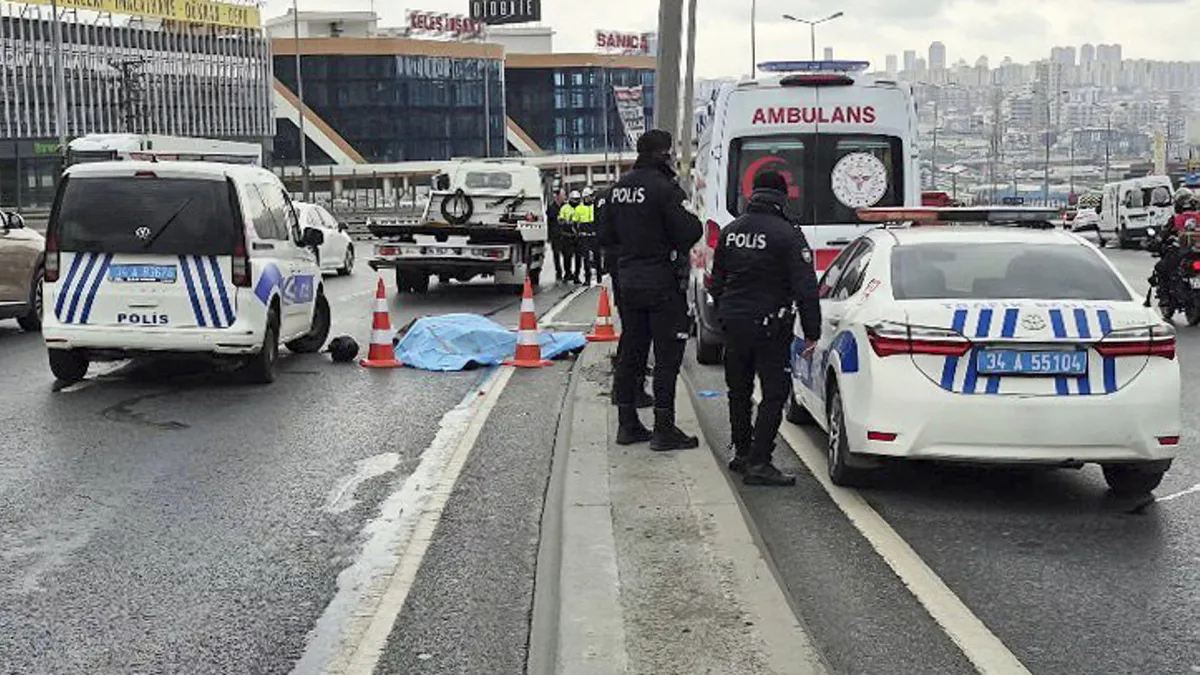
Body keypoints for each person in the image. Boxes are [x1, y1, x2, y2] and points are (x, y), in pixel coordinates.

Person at [710, 171, 821, 487]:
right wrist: (812, 331)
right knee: (774, 393)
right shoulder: (787, 234)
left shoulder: (731, 231)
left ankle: (742, 453)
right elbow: (805, 287)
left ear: (753, 194)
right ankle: (760, 461)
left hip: (734, 323)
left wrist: (725, 314)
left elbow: (716, 281)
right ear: (782, 197)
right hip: (770, 325)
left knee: (738, 390)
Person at [599, 129, 703, 450]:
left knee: (632, 351)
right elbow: (688, 230)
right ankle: (663, 427)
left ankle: (627, 423)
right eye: (669, 152)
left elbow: (604, 235)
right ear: (662, 154)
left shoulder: (617, 190)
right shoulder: (664, 189)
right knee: (667, 356)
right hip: (660, 281)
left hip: (628, 280)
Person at [596, 184, 654, 409]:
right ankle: (629, 392)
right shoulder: (657, 190)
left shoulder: (613, 195)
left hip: (621, 267)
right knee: (637, 334)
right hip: (639, 272)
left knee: (632, 331)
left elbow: (603, 234)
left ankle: (625, 394)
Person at [576, 187, 600, 285]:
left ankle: (599, 276)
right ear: (584, 197)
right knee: (585, 258)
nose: (591, 198)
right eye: (589, 197)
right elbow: (576, 222)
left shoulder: (596, 207)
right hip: (584, 236)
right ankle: (587, 278)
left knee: (597, 256)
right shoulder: (579, 208)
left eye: (591, 196)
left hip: (595, 235)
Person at [558, 190, 582, 283]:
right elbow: (560, 220)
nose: (576, 201)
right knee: (567, 256)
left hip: (578, 236)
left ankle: (577, 275)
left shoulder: (581, 207)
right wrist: (566, 223)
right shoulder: (565, 208)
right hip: (567, 235)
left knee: (578, 258)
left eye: (577, 199)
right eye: (574, 199)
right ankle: (568, 273)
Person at [547, 189, 568, 282]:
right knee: (556, 254)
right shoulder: (552, 208)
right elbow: (549, 222)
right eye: (563, 195)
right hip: (555, 235)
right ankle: (558, 272)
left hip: (565, 234)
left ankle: (568, 272)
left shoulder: (566, 207)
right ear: (558, 196)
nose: (564, 197)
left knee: (567, 254)